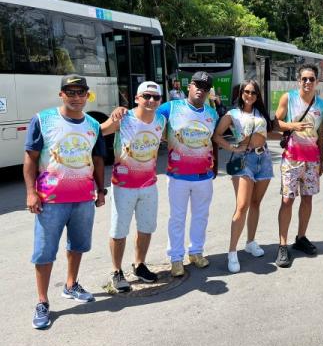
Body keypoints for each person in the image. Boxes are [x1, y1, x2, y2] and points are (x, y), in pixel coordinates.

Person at [24, 75, 106, 329]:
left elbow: (99, 159)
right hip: (51, 199)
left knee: (78, 245)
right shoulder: (43, 119)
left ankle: (71, 285)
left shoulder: (93, 124)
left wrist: (100, 190)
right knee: (44, 251)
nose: (76, 97)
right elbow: (30, 159)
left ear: (87, 95)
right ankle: (42, 301)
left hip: (82, 198)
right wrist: (31, 192)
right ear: (61, 94)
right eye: (70, 92)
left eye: (81, 92)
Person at [100, 81, 166, 292]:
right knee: (119, 230)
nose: (151, 100)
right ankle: (116, 271)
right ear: (137, 98)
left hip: (149, 184)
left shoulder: (161, 120)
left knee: (146, 227)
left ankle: (139, 265)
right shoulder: (124, 118)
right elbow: (97, 132)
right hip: (123, 185)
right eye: (146, 96)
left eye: (156, 97)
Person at [156, 71, 219, 277]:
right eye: (197, 85)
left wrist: (215, 166)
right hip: (178, 176)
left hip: (203, 176)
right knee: (177, 217)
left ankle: (196, 252)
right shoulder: (170, 108)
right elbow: (146, 120)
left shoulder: (212, 114)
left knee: (201, 215)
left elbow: (214, 140)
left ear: (209, 92)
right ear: (188, 87)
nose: (201, 89)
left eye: (205, 87)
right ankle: (175, 258)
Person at [213, 79, 274, 273]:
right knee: (242, 206)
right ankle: (232, 251)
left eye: (253, 93)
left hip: (263, 159)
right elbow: (217, 135)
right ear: (241, 93)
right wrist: (232, 147)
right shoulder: (233, 114)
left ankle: (250, 242)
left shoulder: (260, 113)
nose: (250, 95)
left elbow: (267, 133)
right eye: (246, 92)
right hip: (243, 161)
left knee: (255, 204)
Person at [274, 64, 323, 268]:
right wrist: (292, 125)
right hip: (292, 158)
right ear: (298, 81)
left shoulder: (321, 105)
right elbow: (276, 122)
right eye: (304, 79)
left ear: (317, 82)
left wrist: (321, 160)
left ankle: (301, 237)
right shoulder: (289, 98)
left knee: (307, 199)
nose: (307, 82)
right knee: (287, 200)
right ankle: (282, 245)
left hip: (312, 160)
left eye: (311, 79)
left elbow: (320, 134)